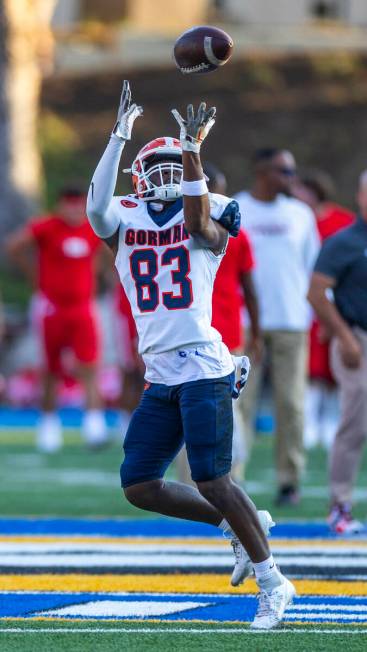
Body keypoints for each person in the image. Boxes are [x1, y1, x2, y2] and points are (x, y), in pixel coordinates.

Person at [86, 80, 295, 629]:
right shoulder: (124, 220)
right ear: (139, 179)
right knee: (140, 484)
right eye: (159, 171)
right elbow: (95, 204)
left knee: (213, 479)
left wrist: (192, 149)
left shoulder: (211, 211)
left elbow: (202, 226)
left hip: (203, 363)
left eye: (176, 170)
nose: (168, 180)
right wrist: (118, 135)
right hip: (161, 372)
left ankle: (273, 582)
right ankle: (237, 523)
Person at [235, 148, 320, 505]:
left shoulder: (300, 214)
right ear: (261, 171)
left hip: (290, 321)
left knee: (291, 403)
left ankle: (290, 480)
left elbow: (312, 266)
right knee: (240, 403)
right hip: (243, 322)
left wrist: (314, 317)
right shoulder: (236, 207)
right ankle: (232, 477)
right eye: (284, 171)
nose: (291, 179)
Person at [6, 186, 108, 452]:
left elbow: (111, 253)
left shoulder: (92, 228)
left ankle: (94, 427)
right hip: (52, 309)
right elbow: (14, 245)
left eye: (79, 204)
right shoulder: (47, 227)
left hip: (83, 307)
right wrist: (35, 275)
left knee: (89, 365)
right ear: (61, 205)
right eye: (70, 204)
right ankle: (49, 425)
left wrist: (99, 274)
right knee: (51, 368)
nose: (75, 210)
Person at [308, 169, 367, 534]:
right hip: (356, 339)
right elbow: (315, 293)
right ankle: (339, 505)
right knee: (355, 423)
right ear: (361, 197)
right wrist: (344, 337)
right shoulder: (344, 241)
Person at [207, 162, 262, 481]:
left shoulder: (235, 236)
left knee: (225, 405)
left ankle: (231, 476)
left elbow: (249, 286)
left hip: (224, 328)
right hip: (199, 330)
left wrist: (254, 330)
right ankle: (214, 480)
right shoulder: (182, 230)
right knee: (208, 406)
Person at [293, 171, 355, 450]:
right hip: (303, 300)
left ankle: (330, 419)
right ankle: (310, 421)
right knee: (310, 366)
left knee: (332, 364)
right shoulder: (296, 219)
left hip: (334, 299)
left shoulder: (342, 222)